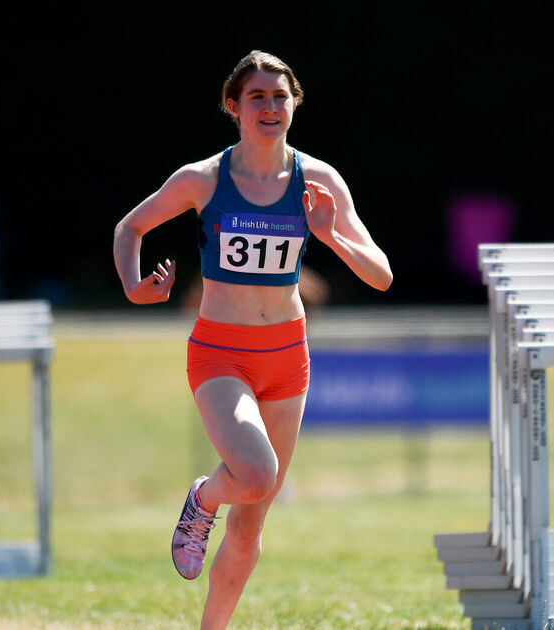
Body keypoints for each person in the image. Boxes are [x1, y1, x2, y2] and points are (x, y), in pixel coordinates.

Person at [112, 50, 392, 629]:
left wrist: (330, 235)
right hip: (220, 354)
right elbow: (130, 227)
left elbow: (381, 274)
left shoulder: (319, 181)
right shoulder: (204, 179)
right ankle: (203, 499)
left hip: (288, 357)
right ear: (233, 107)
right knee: (257, 477)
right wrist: (134, 286)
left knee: (252, 525)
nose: (270, 107)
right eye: (257, 97)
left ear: (294, 105)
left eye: (280, 96)